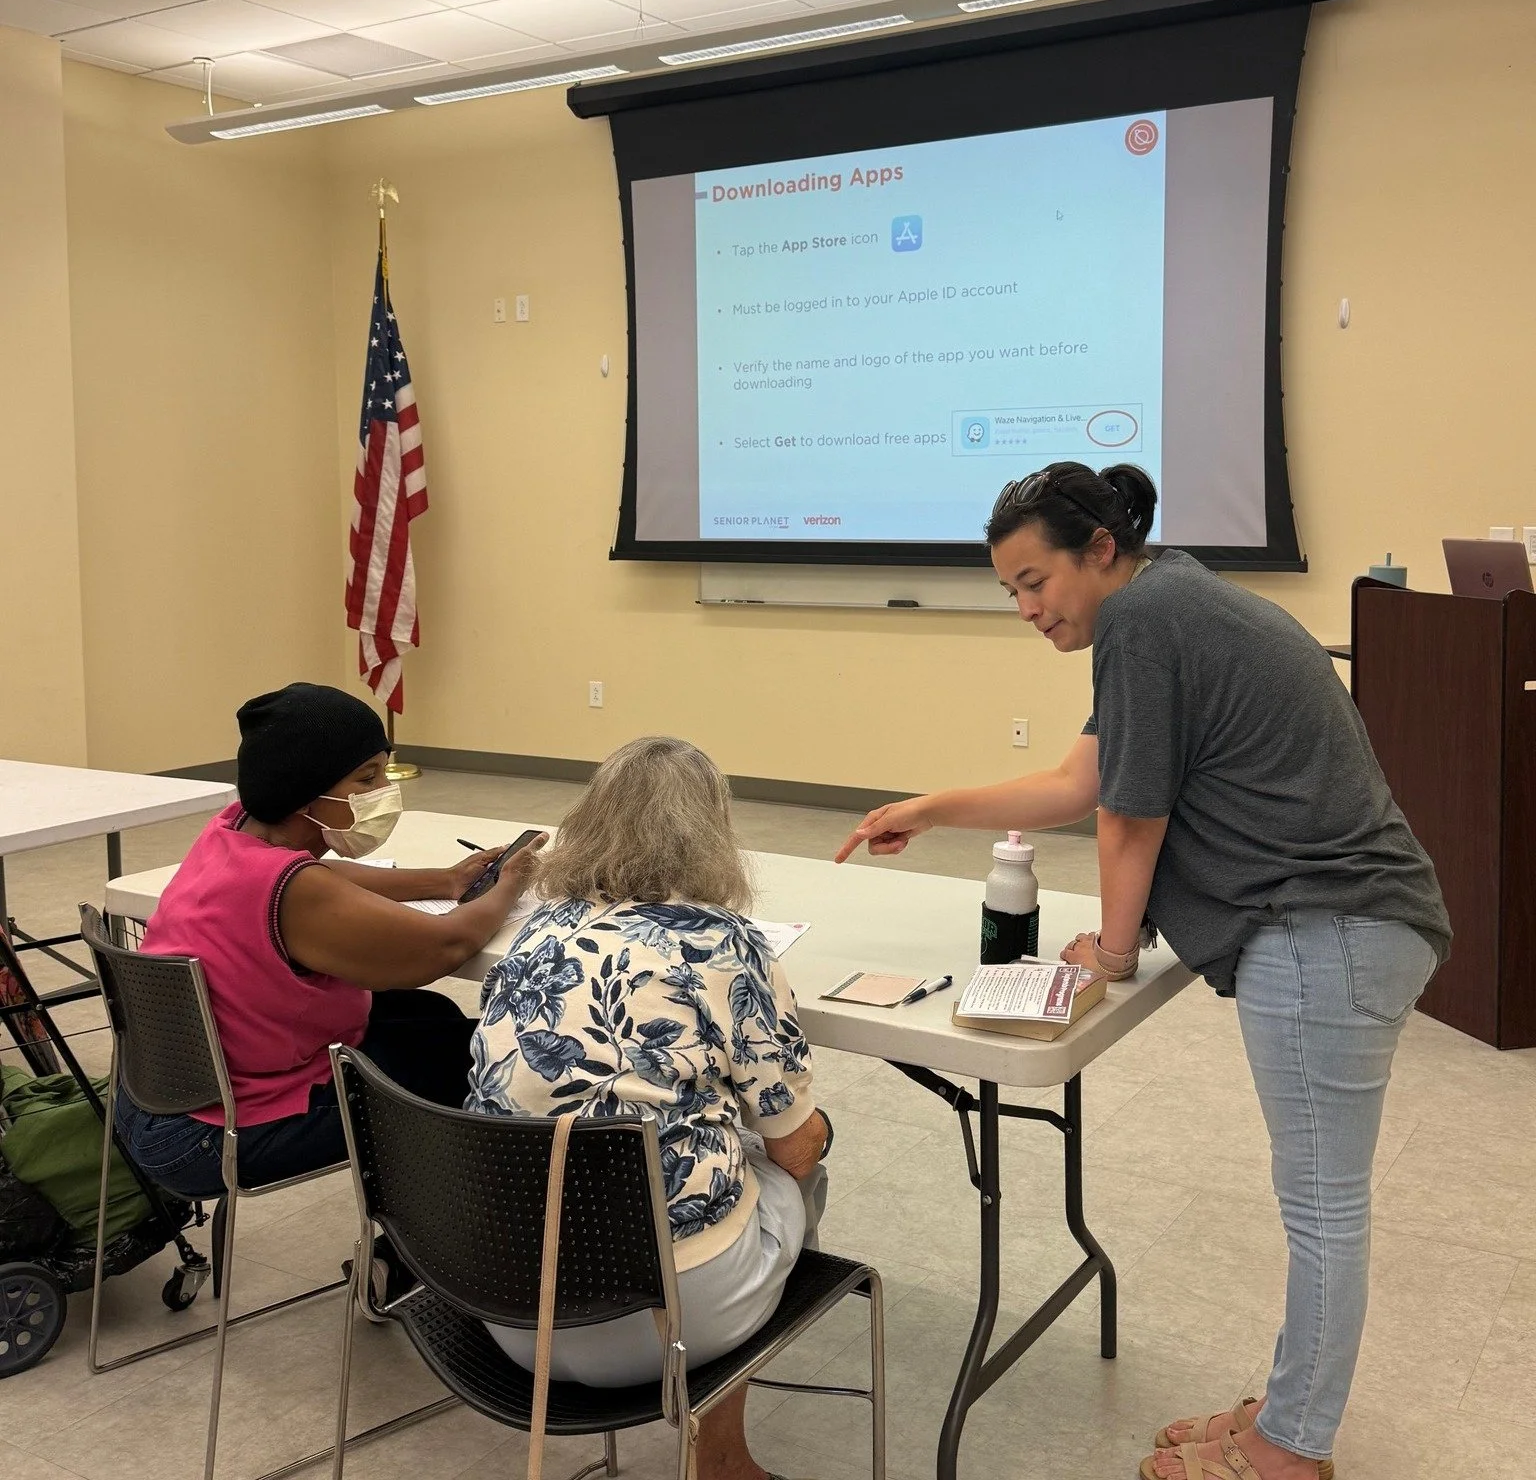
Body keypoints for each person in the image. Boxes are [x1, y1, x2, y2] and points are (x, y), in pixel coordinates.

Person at [835, 463, 1450, 1480]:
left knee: (1324, 1202)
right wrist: (930, 807)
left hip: (1330, 929)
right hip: (1343, 925)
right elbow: (1082, 780)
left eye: (1035, 582)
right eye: (1010, 593)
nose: (1026, 609)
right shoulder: (1168, 602)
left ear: (1101, 552)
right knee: (1316, 1195)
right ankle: (1287, 1409)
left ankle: (1293, 1446)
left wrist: (1113, 956)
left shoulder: (1146, 623)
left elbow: (1131, 814)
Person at [465, 736, 829, 1480]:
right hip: (671, 1323)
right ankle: (721, 1457)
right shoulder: (729, 948)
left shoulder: (535, 935)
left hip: (506, 1304)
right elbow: (794, 1149)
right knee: (797, 1162)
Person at [114, 682, 543, 1198]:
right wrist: (508, 885)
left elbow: (322, 876)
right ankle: (431, 1241)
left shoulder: (234, 836)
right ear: (305, 792)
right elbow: (444, 947)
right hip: (212, 1134)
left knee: (430, 1017)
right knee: (487, 1064)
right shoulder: (292, 891)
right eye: (368, 778)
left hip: (164, 1095)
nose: (384, 790)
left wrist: (446, 880)